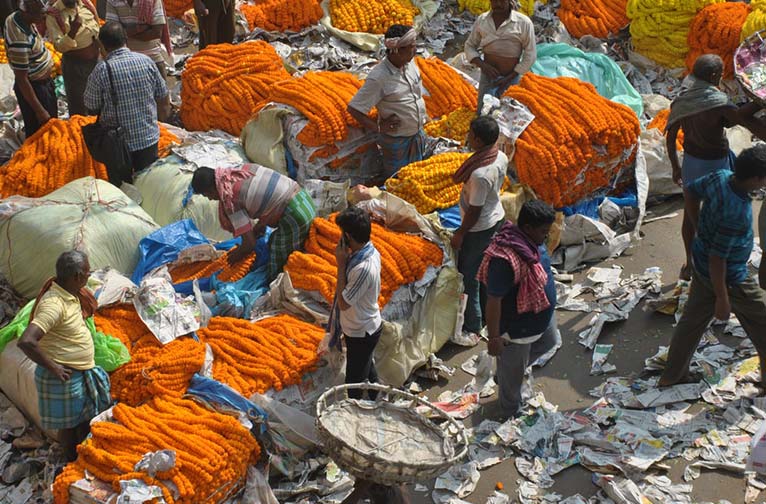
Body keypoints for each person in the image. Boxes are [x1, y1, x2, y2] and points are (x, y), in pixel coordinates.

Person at [658, 146, 766, 388]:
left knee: (692, 322)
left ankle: (672, 375)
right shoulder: (736, 212)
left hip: (702, 262)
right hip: (731, 276)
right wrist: (723, 298)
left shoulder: (721, 176)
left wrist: (698, 226)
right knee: (762, 322)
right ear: (757, 179)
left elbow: (690, 191)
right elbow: (719, 260)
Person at [667, 54, 766, 280]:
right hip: (716, 165)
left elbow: (671, 135)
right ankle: (718, 267)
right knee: (722, 217)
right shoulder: (717, 103)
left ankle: (689, 263)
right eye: (720, 75)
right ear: (713, 76)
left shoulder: (683, 100)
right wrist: (758, 101)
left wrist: (675, 166)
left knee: (690, 217)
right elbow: (738, 119)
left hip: (691, 163)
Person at [18, 251, 111, 462]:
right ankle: (68, 463)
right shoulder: (54, 304)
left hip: (79, 373)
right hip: (64, 376)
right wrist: (55, 367)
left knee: (81, 422)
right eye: (87, 272)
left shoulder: (70, 293)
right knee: (68, 429)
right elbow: (26, 341)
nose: (89, 275)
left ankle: (79, 457)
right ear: (77, 275)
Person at [480, 200, 558, 418]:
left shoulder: (531, 243)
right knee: (512, 384)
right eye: (544, 231)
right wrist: (494, 338)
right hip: (517, 330)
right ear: (528, 228)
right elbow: (493, 300)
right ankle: (509, 413)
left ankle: (505, 372)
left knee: (550, 342)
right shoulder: (504, 260)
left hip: (541, 319)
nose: (547, 236)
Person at [191, 164, 317, 282]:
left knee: (277, 261)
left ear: (212, 189)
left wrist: (234, 256)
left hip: (295, 214)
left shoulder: (230, 198)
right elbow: (266, 199)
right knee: (275, 240)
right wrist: (257, 229)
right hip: (305, 200)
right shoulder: (237, 171)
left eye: (207, 195)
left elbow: (249, 244)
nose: (210, 199)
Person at [84, 22, 170, 190]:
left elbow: (91, 106)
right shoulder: (146, 62)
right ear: (125, 39)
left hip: (118, 144)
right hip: (148, 138)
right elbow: (162, 95)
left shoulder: (101, 70)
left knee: (122, 189)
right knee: (147, 186)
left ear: (103, 44)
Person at [450, 115, 507, 342]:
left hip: (480, 228)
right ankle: (485, 313)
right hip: (496, 218)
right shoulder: (500, 156)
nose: (468, 138)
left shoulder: (480, 175)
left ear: (479, 139)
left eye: (470, 135)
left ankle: (473, 325)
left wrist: (460, 233)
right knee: (486, 271)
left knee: (469, 277)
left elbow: (474, 211)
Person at [347, 24, 428, 179]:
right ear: (396, 50)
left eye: (415, 45)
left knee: (416, 177)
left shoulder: (410, 63)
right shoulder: (379, 77)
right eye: (411, 47)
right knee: (396, 180)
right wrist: (378, 127)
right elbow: (354, 108)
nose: (415, 50)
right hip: (397, 141)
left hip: (416, 135)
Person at [330, 207, 383, 400]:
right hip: (359, 328)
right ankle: (379, 398)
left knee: (353, 386)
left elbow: (344, 303)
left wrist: (341, 264)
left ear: (349, 237)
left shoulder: (362, 267)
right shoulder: (367, 252)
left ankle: (358, 413)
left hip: (362, 332)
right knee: (367, 369)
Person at [464, 0, 536, 112]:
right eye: (494, 1)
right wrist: (483, 66)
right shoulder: (482, 20)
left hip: (511, 78)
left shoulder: (523, 23)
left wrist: (510, 76)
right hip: (488, 78)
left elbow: (530, 54)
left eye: (502, 1)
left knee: (506, 116)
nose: (498, 4)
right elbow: (470, 46)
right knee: (483, 114)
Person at [4, 0, 58, 137]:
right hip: (36, 89)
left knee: (49, 129)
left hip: (41, 85)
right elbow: (22, 79)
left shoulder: (17, 18)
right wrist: (40, 110)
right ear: (28, 13)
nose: (44, 17)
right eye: (40, 14)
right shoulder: (20, 41)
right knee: (44, 133)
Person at [45, 0, 101, 116]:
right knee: (80, 109)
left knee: (99, 102)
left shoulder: (86, 4)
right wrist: (73, 31)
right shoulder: (54, 14)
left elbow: (97, 27)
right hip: (76, 67)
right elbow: (59, 46)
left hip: (96, 62)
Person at [105, 0, 171, 78]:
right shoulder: (113, 2)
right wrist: (139, 28)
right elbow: (113, 32)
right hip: (126, 62)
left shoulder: (153, 1)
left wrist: (125, 33)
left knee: (161, 88)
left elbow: (156, 33)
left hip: (153, 59)